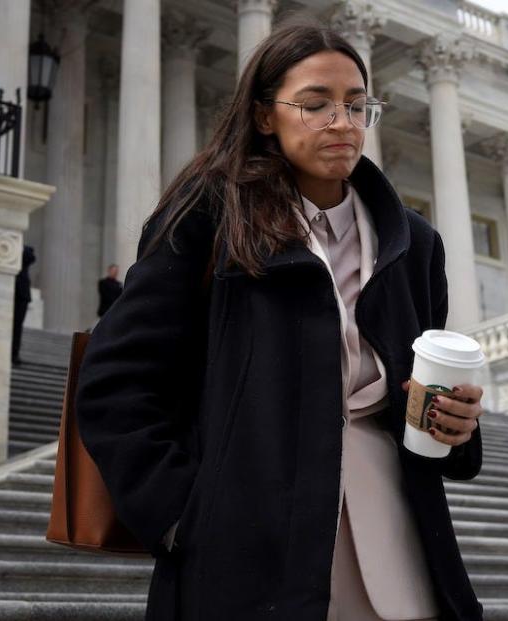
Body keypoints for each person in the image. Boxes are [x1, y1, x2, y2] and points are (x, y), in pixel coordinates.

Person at [74, 19, 484, 621]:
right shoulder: (208, 214)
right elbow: (115, 384)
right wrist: (185, 517)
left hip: (402, 547)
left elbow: (417, 394)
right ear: (266, 115)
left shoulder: (414, 243)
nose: (342, 123)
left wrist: (456, 425)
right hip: (250, 550)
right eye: (315, 104)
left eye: (355, 104)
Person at [11, 245, 34, 367]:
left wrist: (20, 247)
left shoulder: (24, 252)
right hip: (11, 293)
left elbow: (30, 257)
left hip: (21, 296)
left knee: (17, 327)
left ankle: (14, 354)